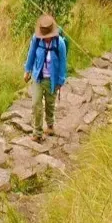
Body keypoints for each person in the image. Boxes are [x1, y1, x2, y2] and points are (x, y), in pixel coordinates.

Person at [24, 14, 67, 142]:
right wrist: (27, 70)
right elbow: (31, 55)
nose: (46, 38)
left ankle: (50, 124)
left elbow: (63, 64)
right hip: (38, 77)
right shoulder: (36, 39)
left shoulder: (60, 43)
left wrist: (60, 81)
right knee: (36, 104)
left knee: (50, 104)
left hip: (52, 79)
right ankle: (37, 133)